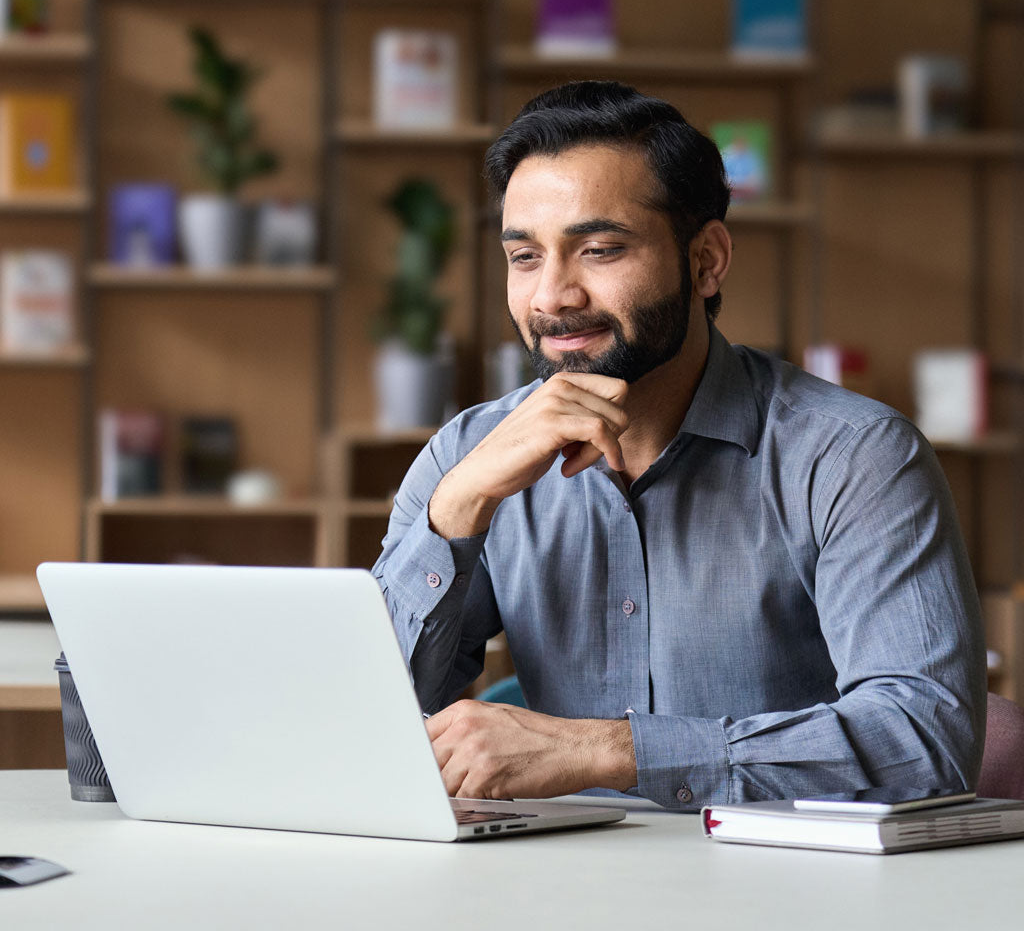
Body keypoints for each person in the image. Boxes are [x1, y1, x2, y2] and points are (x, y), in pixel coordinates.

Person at [371, 80, 986, 811]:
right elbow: (358, 725)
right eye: (525, 257)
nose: (551, 298)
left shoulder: (855, 457)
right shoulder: (465, 456)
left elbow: (925, 740)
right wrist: (458, 510)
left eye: (598, 249)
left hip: (795, 897)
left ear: (706, 261)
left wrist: (612, 750)